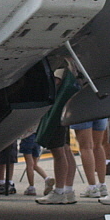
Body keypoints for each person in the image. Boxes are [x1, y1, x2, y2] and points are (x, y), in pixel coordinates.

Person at [35, 67, 79, 204]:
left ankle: (59, 190)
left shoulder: (59, 65)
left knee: (58, 150)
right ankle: (68, 189)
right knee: (65, 149)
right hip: (65, 107)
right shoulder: (71, 64)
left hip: (56, 110)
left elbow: (55, 83)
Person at [72, 119, 109, 199]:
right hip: (100, 109)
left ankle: (92, 187)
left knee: (86, 147)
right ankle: (102, 184)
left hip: (83, 112)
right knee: (98, 146)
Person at [19, 131, 48, 195]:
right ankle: (47, 178)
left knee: (29, 164)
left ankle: (31, 187)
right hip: (37, 137)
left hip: (27, 137)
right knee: (34, 164)